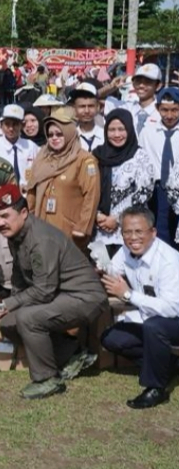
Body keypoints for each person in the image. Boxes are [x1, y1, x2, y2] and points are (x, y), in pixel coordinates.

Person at [0, 185, 107, 400]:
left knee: (28, 318)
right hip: (60, 294)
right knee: (8, 323)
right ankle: (72, 354)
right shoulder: (16, 234)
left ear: (24, 213)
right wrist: (9, 306)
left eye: (5, 216)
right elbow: (19, 276)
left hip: (84, 298)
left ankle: (47, 379)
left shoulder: (40, 239)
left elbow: (43, 291)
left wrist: (1, 304)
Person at [99, 206, 179, 409]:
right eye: (127, 232)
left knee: (154, 327)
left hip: (174, 318)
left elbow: (172, 308)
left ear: (153, 232)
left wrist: (128, 295)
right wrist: (101, 271)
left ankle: (156, 388)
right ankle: (168, 364)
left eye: (138, 231)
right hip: (151, 318)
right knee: (111, 338)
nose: (133, 237)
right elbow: (113, 271)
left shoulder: (169, 261)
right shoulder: (126, 250)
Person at [25, 110, 100, 253]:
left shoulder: (84, 160)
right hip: (41, 228)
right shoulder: (43, 158)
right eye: (50, 135)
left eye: (59, 134)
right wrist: (29, 218)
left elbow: (91, 195)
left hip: (69, 231)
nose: (54, 138)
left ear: (69, 133)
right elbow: (32, 191)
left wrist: (83, 227)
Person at [93, 110, 155, 257]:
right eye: (112, 130)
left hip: (130, 230)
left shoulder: (140, 157)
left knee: (127, 269)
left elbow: (144, 192)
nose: (117, 134)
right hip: (99, 229)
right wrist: (97, 215)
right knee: (101, 268)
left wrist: (117, 218)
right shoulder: (97, 155)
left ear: (130, 129)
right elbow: (87, 188)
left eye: (121, 129)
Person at [140, 86, 179, 248]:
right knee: (160, 234)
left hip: (178, 190)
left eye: (175, 110)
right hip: (157, 191)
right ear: (157, 108)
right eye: (164, 110)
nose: (169, 115)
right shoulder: (148, 132)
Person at [0, 104, 38, 188]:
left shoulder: (31, 147)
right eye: (7, 124)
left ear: (22, 126)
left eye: (15, 124)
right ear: (1, 125)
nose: (11, 128)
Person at [70, 83, 104, 151]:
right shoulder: (70, 138)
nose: (87, 111)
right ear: (74, 109)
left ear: (98, 107)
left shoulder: (106, 136)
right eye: (82, 106)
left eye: (91, 106)